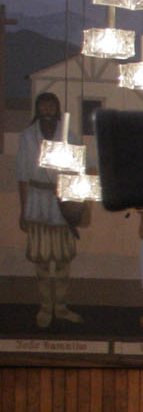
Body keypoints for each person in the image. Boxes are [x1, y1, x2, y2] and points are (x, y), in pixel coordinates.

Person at [15, 91, 82, 327]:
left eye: (50, 107)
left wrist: (76, 209)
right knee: (42, 263)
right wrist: (23, 212)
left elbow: (76, 174)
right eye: (42, 107)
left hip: (62, 204)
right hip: (36, 203)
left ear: (57, 109)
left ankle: (61, 308)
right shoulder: (27, 137)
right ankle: (45, 309)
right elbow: (22, 176)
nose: (46, 111)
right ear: (37, 110)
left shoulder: (69, 136)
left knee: (63, 262)